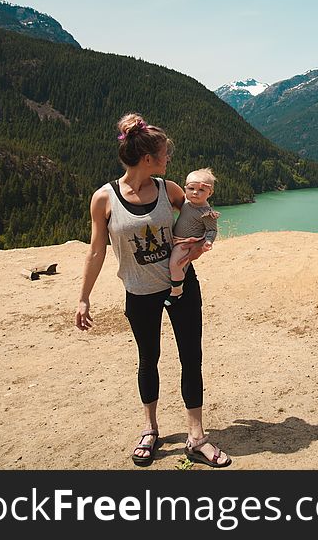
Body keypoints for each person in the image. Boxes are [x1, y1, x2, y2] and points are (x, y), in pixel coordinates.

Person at [75, 113, 231, 468]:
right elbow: (96, 250)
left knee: (191, 358)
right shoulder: (105, 198)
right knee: (149, 359)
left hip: (181, 287)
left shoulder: (169, 189)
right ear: (148, 159)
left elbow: (197, 214)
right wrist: (84, 296)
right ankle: (150, 429)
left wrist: (200, 245)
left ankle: (196, 436)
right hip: (139, 291)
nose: (168, 159)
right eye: (164, 153)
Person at [164, 168, 220, 308]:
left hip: (186, 243)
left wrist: (207, 242)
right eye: (191, 188)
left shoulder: (206, 213)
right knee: (178, 265)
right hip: (176, 239)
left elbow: (212, 230)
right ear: (185, 189)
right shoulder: (186, 203)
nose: (195, 192)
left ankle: (176, 291)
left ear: (210, 193)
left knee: (175, 264)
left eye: (201, 190)